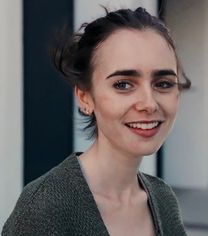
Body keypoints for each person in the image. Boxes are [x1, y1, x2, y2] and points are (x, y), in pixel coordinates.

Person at [2, 7, 191, 236]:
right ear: (85, 97)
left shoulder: (163, 199)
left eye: (163, 83)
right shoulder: (45, 208)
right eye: (123, 84)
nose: (149, 103)